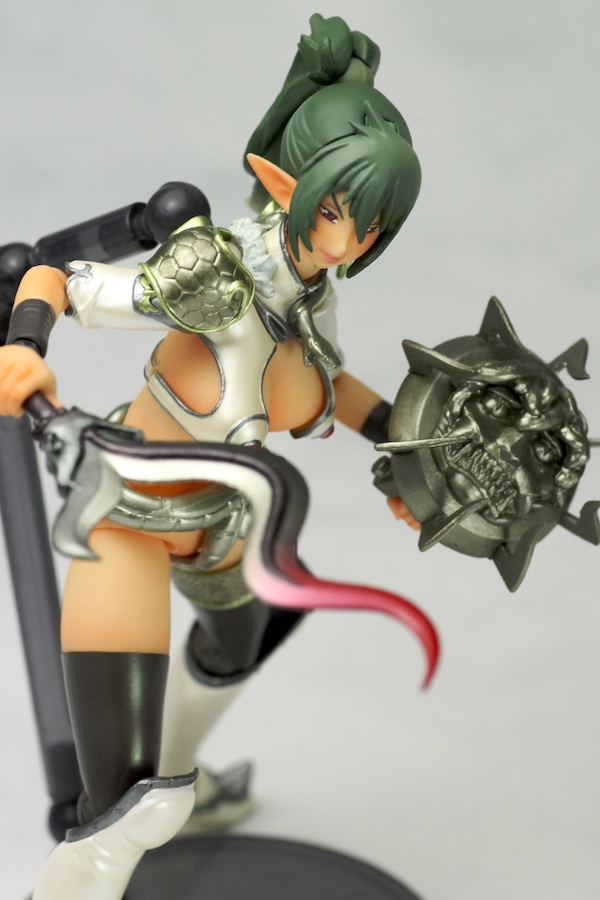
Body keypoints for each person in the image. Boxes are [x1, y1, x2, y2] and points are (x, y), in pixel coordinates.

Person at [0, 15, 427, 900]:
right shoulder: (213, 276)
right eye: (342, 209)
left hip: (228, 528)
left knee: (244, 643)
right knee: (123, 805)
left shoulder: (311, 301)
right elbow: (51, 276)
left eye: (375, 220)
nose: (356, 236)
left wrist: (409, 453)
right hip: (128, 514)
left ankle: (182, 787)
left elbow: (327, 386)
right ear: (285, 185)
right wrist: (24, 349)